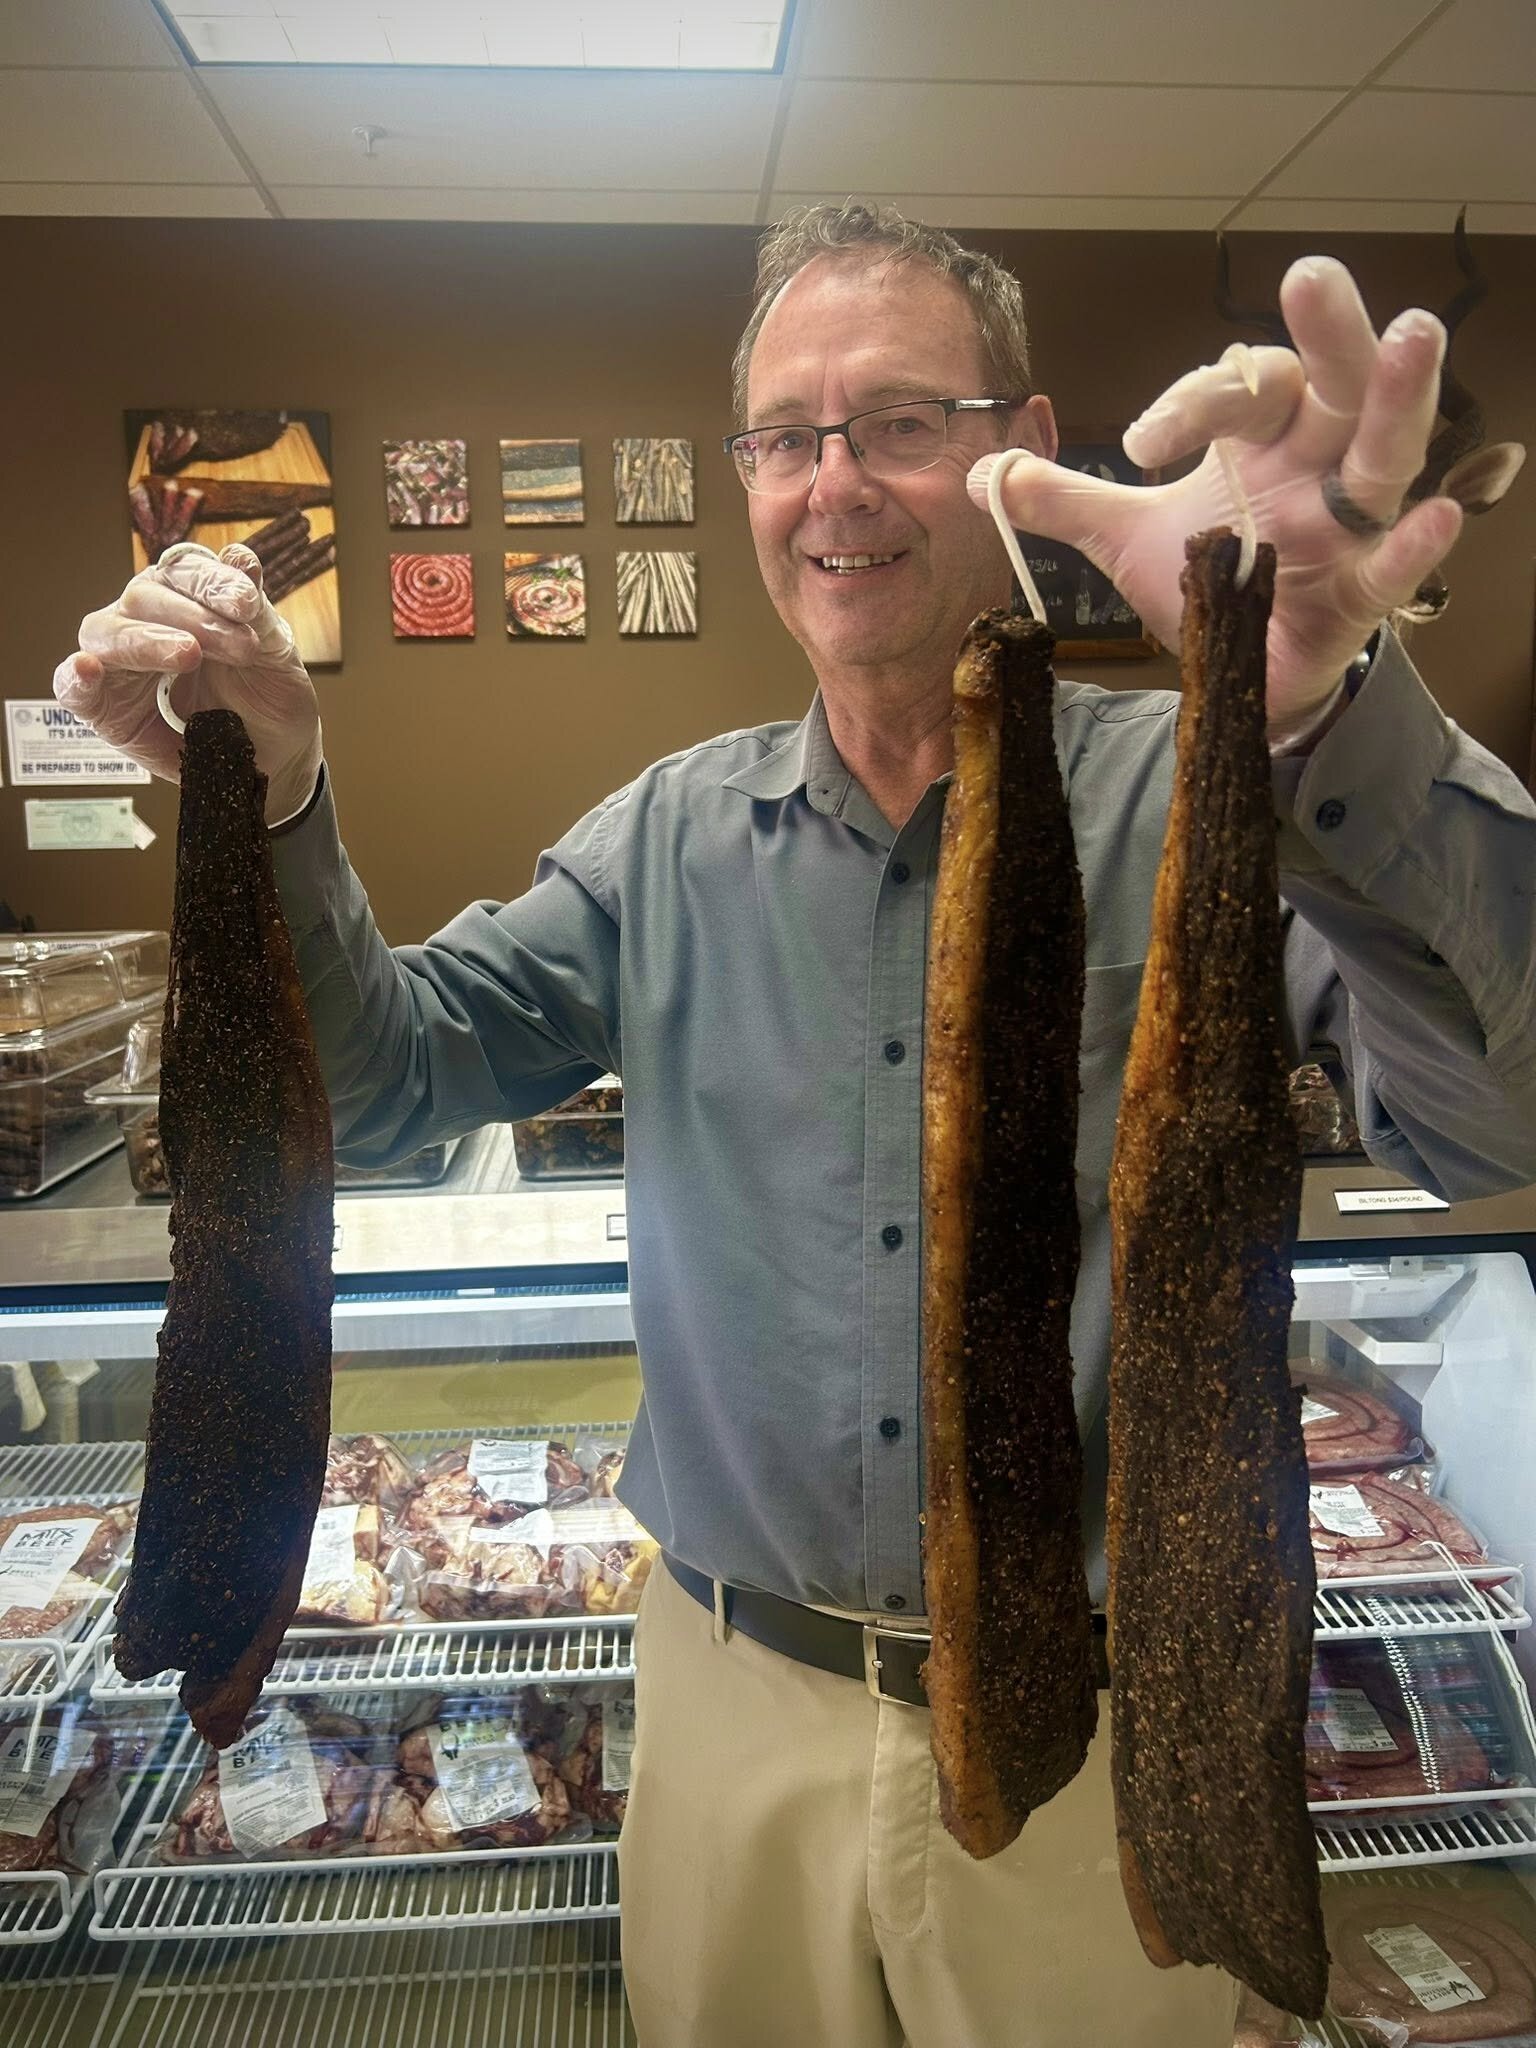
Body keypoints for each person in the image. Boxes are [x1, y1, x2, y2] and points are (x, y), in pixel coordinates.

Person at [58, 203, 1536, 2047]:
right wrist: (276, 790)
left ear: (1019, 444)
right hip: (732, 1705)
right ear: (746, 477)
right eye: (784, 437)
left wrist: (1324, 712)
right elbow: (390, 1077)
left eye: (902, 421)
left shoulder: (1211, 800)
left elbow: (1497, 1125)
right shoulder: (665, 843)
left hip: (1107, 1729)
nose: (834, 484)